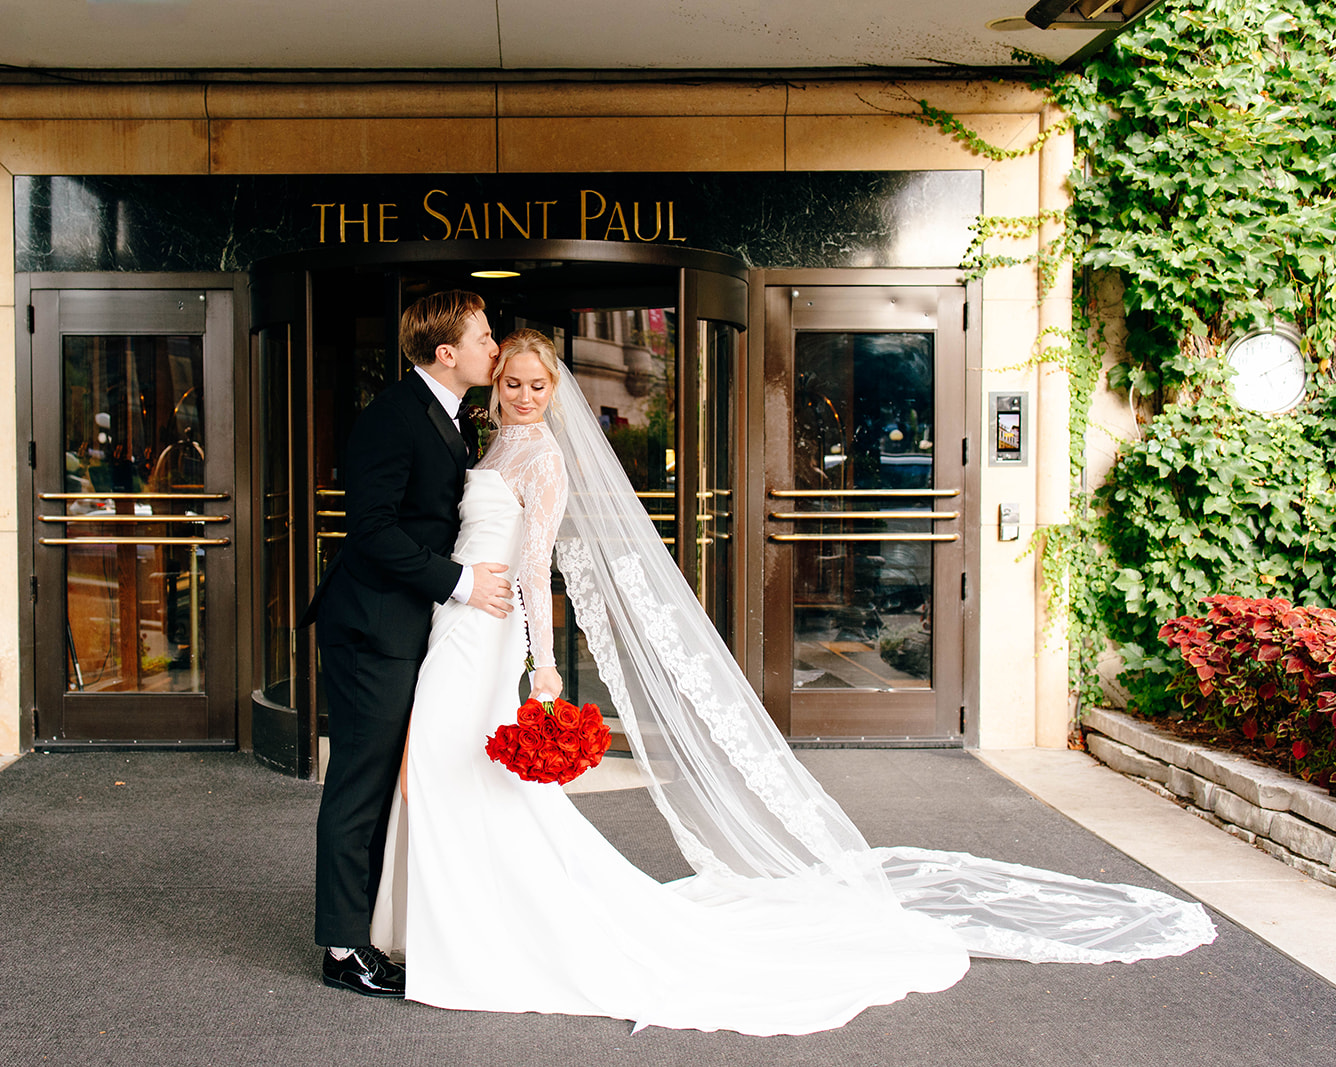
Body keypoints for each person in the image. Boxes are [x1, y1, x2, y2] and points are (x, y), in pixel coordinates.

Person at [368, 328, 1217, 1036]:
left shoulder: (542, 457)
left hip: (485, 631)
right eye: (510, 381)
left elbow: (533, 560)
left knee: (461, 771)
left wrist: (542, 659)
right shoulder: (497, 442)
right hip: (455, 621)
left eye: (533, 384)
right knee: (454, 775)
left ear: (554, 389)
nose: (520, 394)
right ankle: (453, 924)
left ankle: (474, 931)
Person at [305, 290, 511, 998]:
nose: (496, 346)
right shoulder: (392, 417)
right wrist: (458, 581)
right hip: (369, 628)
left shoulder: (448, 414)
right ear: (446, 352)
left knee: (382, 780)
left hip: (400, 625)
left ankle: (362, 928)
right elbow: (373, 528)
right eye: (484, 336)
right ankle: (340, 949)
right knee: (359, 785)